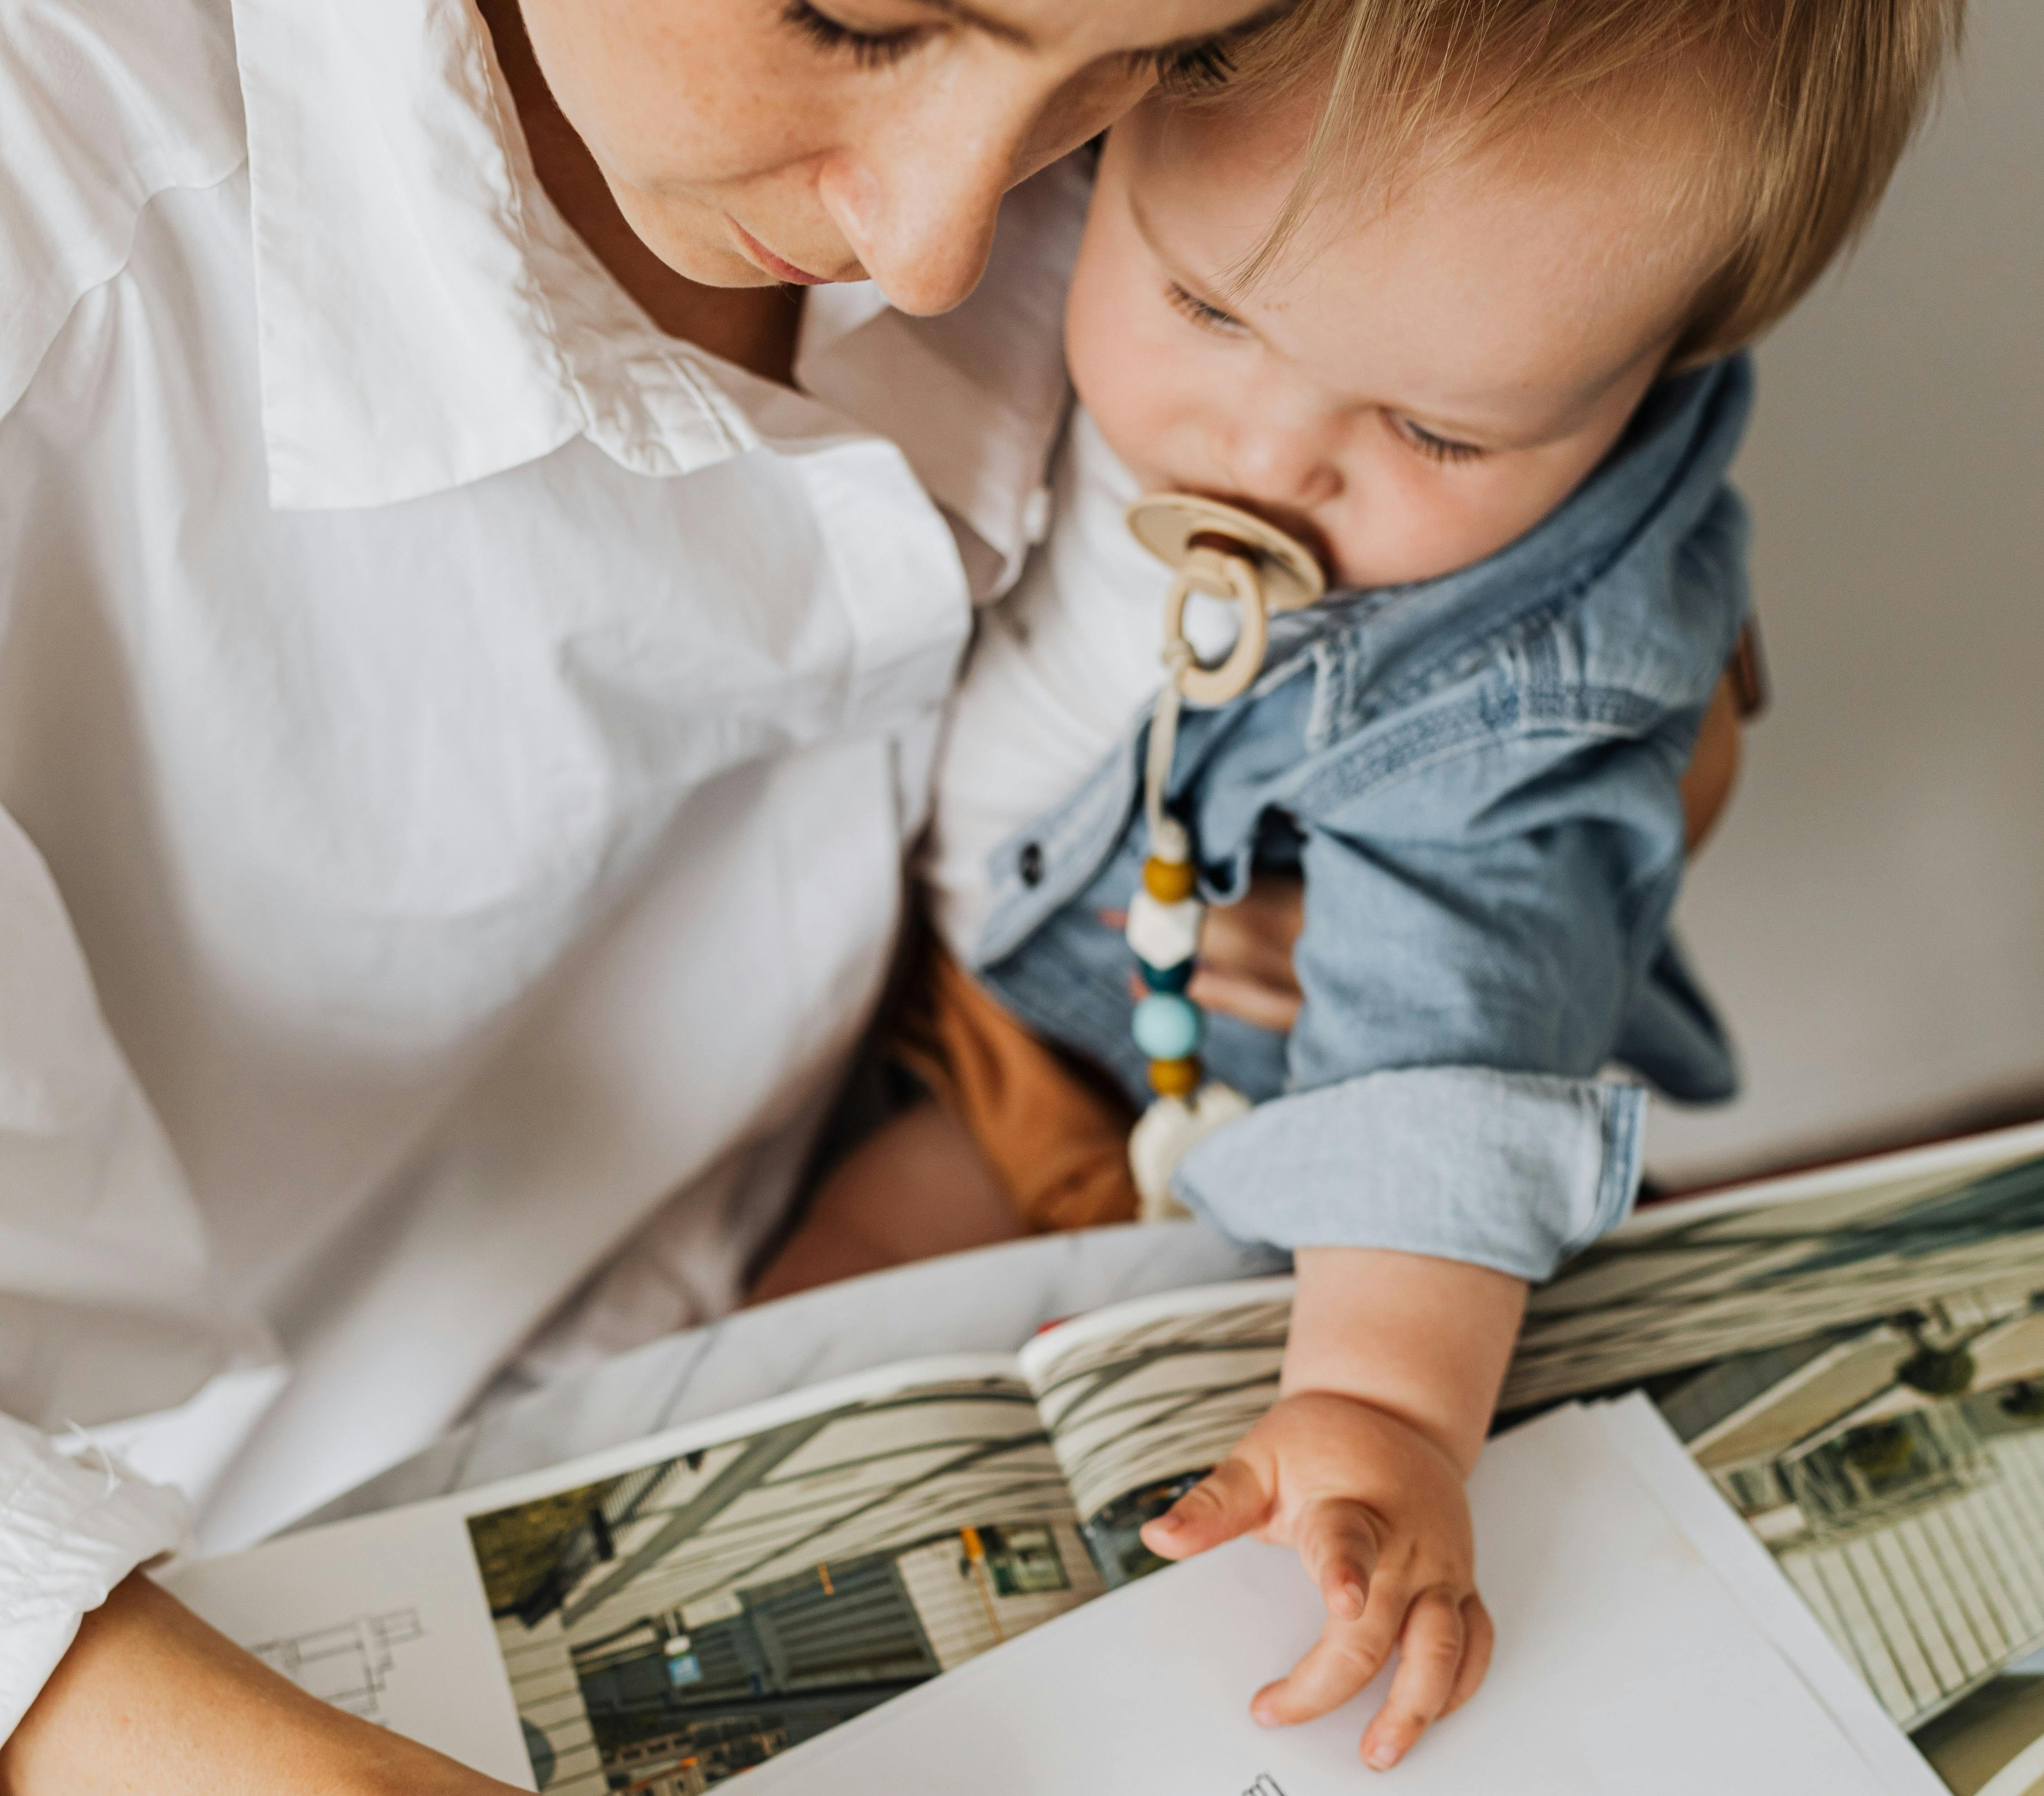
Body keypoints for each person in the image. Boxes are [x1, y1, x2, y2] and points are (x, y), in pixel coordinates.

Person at [0, 0, 1322, 1790]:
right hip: (213, 1563)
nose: (937, 245)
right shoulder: (58, 213)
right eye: (857, 16)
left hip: (872, 1309)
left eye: (1157, 61)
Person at [753, 0, 1963, 1769]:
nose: (1271, 449)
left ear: (1656, 376)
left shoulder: (1520, 669)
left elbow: (1444, 1035)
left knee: (1139, 1499)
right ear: (1114, 122)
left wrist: (1384, 1403)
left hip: (1270, 1170)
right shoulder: (1007, 185)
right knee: (793, 1365)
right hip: (999, 1028)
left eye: (1436, 433)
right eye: (1208, 312)